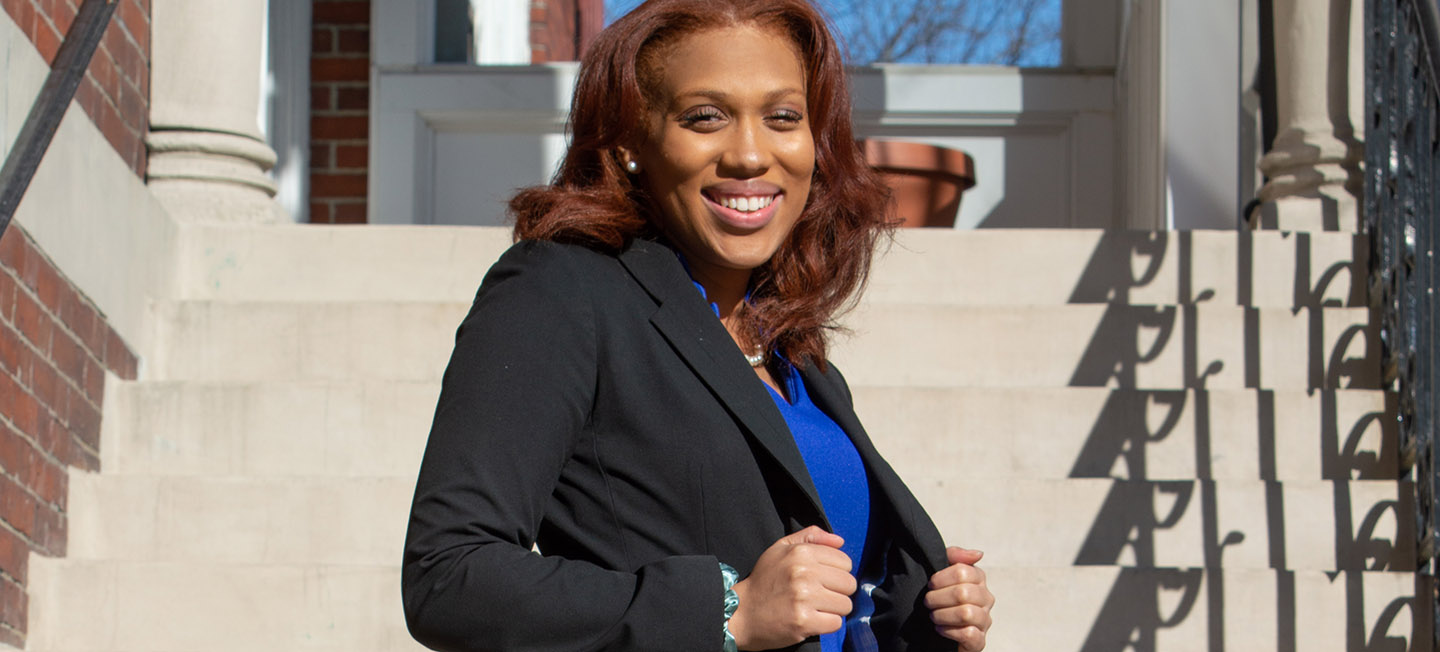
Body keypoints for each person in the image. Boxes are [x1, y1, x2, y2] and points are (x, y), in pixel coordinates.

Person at [401, 1, 995, 650]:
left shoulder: (796, 357)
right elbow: (448, 575)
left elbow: (827, 610)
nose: (749, 154)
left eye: (783, 117)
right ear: (632, 142)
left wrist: (922, 615)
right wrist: (724, 613)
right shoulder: (563, 288)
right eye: (705, 117)